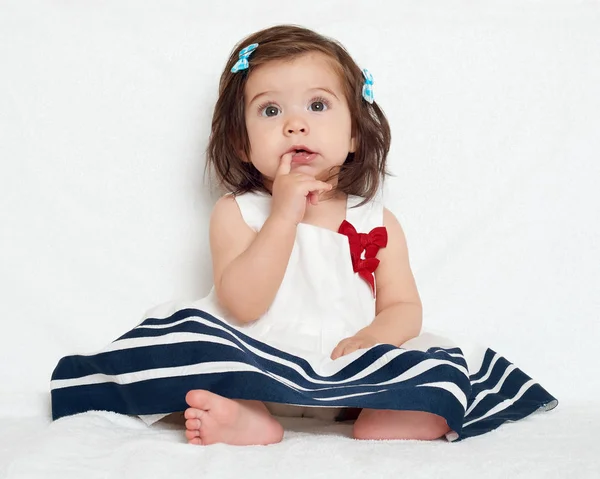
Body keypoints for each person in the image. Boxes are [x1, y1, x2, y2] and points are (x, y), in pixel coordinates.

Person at [50, 25, 557, 445]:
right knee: (190, 344)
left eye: (318, 106)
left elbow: (404, 307)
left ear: (355, 132)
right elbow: (243, 303)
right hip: (259, 359)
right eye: (271, 111)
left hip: (348, 366)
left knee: (443, 368)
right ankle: (249, 418)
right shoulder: (239, 212)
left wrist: (369, 341)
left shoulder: (374, 220)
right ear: (242, 144)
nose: (295, 124)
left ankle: (383, 415)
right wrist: (283, 216)